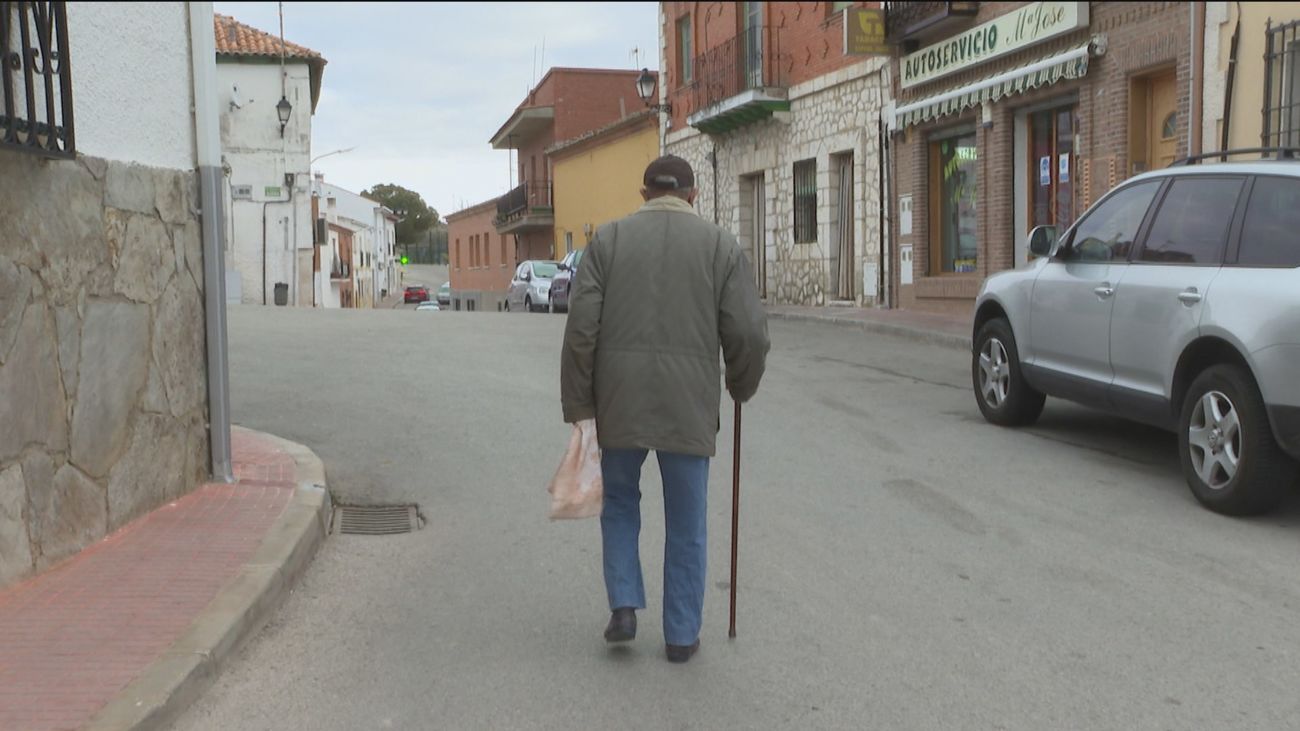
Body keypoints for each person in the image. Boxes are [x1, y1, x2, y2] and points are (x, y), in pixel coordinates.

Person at [560, 155, 769, 664]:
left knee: (622, 505)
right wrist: (741, 385)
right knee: (687, 519)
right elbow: (747, 334)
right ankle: (680, 635)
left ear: (643, 193)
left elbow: (580, 330)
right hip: (688, 406)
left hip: (619, 402)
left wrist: (580, 405)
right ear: (694, 195)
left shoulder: (607, 243)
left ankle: (625, 605)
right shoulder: (720, 246)